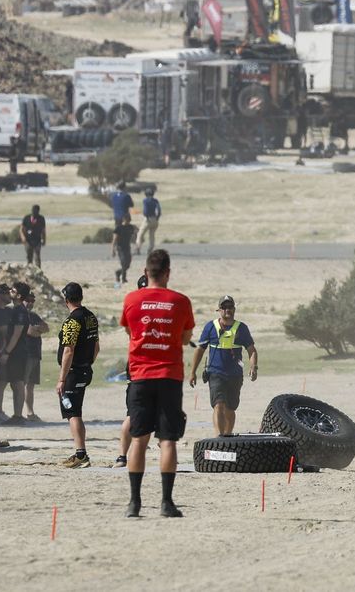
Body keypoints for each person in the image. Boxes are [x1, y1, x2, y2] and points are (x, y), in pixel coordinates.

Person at [120, 249, 194, 518]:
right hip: (169, 377)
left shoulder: (131, 299)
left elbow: (129, 331)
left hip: (140, 377)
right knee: (168, 441)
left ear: (145, 272)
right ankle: (166, 502)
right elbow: (186, 338)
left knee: (139, 439)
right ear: (168, 273)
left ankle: (134, 503)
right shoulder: (180, 301)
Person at [189, 295, 257, 437]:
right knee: (218, 405)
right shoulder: (210, 327)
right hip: (215, 373)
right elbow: (200, 349)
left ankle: (227, 436)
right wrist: (193, 372)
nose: (227, 310)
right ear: (219, 310)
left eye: (230, 307)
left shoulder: (242, 328)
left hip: (235, 375)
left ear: (234, 309)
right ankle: (219, 437)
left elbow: (251, 350)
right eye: (224, 307)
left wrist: (253, 367)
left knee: (230, 409)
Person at [56, 282, 99, 468]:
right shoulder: (91, 317)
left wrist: (61, 379)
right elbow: (96, 347)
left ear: (66, 300)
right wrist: (87, 364)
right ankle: (81, 453)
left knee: (73, 413)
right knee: (77, 412)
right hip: (85, 370)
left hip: (73, 373)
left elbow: (68, 351)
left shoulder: (72, 321)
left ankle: (81, 454)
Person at [0, 284, 21, 424]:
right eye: (7, 293)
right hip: (1, 349)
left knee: (13, 381)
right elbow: (5, 331)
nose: (9, 296)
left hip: (10, 350)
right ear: (0, 294)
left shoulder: (8, 311)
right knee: (1, 382)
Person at [14, 283, 46, 421]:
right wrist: (37, 330)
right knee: (23, 384)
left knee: (31, 385)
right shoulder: (20, 314)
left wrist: (37, 329)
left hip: (35, 354)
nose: (31, 303)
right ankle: (18, 414)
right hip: (26, 354)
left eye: (33, 301)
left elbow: (46, 327)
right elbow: (30, 332)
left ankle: (30, 412)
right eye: (29, 300)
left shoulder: (33, 315)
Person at [112, 219, 137, 285]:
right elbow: (114, 239)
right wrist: (113, 250)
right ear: (124, 220)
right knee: (124, 262)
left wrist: (136, 242)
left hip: (127, 248)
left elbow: (135, 232)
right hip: (120, 248)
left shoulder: (130, 227)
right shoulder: (119, 228)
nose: (127, 222)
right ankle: (123, 279)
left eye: (129, 221)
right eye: (126, 220)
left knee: (128, 264)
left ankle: (118, 272)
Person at [140, 188, 161, 254]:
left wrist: (146, 216)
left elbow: (145, 211)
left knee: (140, 234)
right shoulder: (156, 201)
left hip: (148, 219)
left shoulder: (145, 201)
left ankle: (138, 247)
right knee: (152, 235)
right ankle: (150, 249)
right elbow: (159, 210)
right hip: (155, 219)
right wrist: (157, 218)